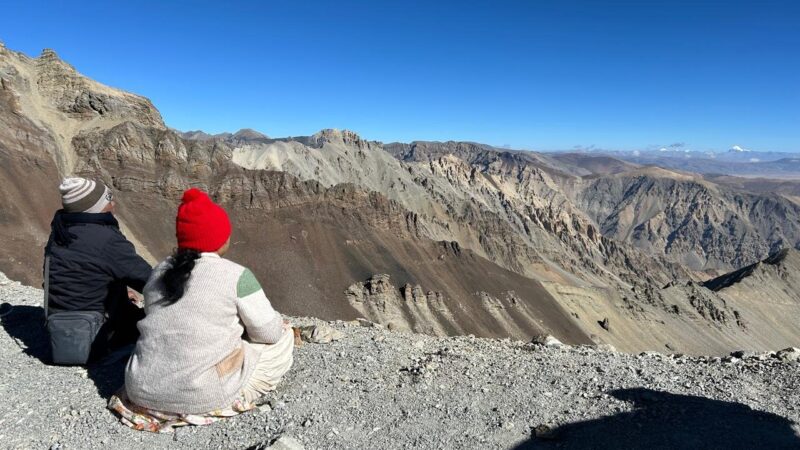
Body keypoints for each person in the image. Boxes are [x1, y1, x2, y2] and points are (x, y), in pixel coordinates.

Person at [109, 188, 294, 432]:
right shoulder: (236, 275)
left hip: (139, 390)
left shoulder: (159, 272)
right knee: (283, 336)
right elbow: (268, 334)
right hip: (201, 395)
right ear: (220, 238)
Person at [44, 177, 152, 365]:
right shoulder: (105, 239)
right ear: (94, 207)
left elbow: (81, 274)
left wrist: (120, 292)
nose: (113, 203)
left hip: (59, 327)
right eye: (109, 198)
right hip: (99, 334)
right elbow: (147, 279)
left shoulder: (60, 233)